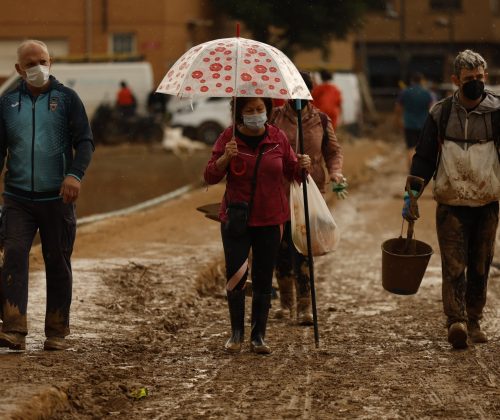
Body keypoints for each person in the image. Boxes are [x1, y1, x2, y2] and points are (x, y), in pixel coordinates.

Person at [0, 40, 94, 351]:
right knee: (13, 255)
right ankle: (13, 328)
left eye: (42, 60)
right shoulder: (7, 103)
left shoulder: (68, 99)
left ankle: (56, 329)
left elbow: (85, 142)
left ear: (51, 62)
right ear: (19, 69)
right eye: (30, 63)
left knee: (57, 260)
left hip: (57, 198)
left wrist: (74, 175)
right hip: (17, 197)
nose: (37, 67)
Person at [402, 49, 499, 349]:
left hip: (487, 201)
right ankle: (455, 320)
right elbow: (424, 157)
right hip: (451, 202)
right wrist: (412, 195)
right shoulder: (440, 114)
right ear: (456, 80)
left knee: (480, 265)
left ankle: (474, 319)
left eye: (480, 78)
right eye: (469, 78)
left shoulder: (497, 115)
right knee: (454, 265)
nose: (476, 83)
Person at [204, 96, 311, 355]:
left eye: (260, 109)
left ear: (267, 110)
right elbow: (209, 175)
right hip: (236, 219)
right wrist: (224, 159)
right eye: (249, 110)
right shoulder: (228, 138)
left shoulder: (277, 138)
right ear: (239, 114)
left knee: (264, 276)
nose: (255, 114)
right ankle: (236, 334)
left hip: (271, 218)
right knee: (237, 276)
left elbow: (292, 172)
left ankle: (258, 337)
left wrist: (302, 166)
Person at [270, 71, 344, 325]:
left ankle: (304, 306)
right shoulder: (275, 117)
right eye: (293, 91)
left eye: (303, 91)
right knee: (280, 248)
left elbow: (332, 151)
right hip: (279, 191)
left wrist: (336, 173)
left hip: (308, 192)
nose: (297, 97)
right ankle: (285, 303)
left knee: (302, 248)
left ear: (310, 92)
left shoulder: (321, 120)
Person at [394, 72, 434, 169]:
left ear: (412, 81)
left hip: (409, 124)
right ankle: (421, 169)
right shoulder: (428, 93)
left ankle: (411, 170)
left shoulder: (405, 92)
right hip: (424, 125)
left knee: (411, 148)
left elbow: (398, 108)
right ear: (421, 81)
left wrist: (398, 120)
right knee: (422, 148)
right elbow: (432, 108)